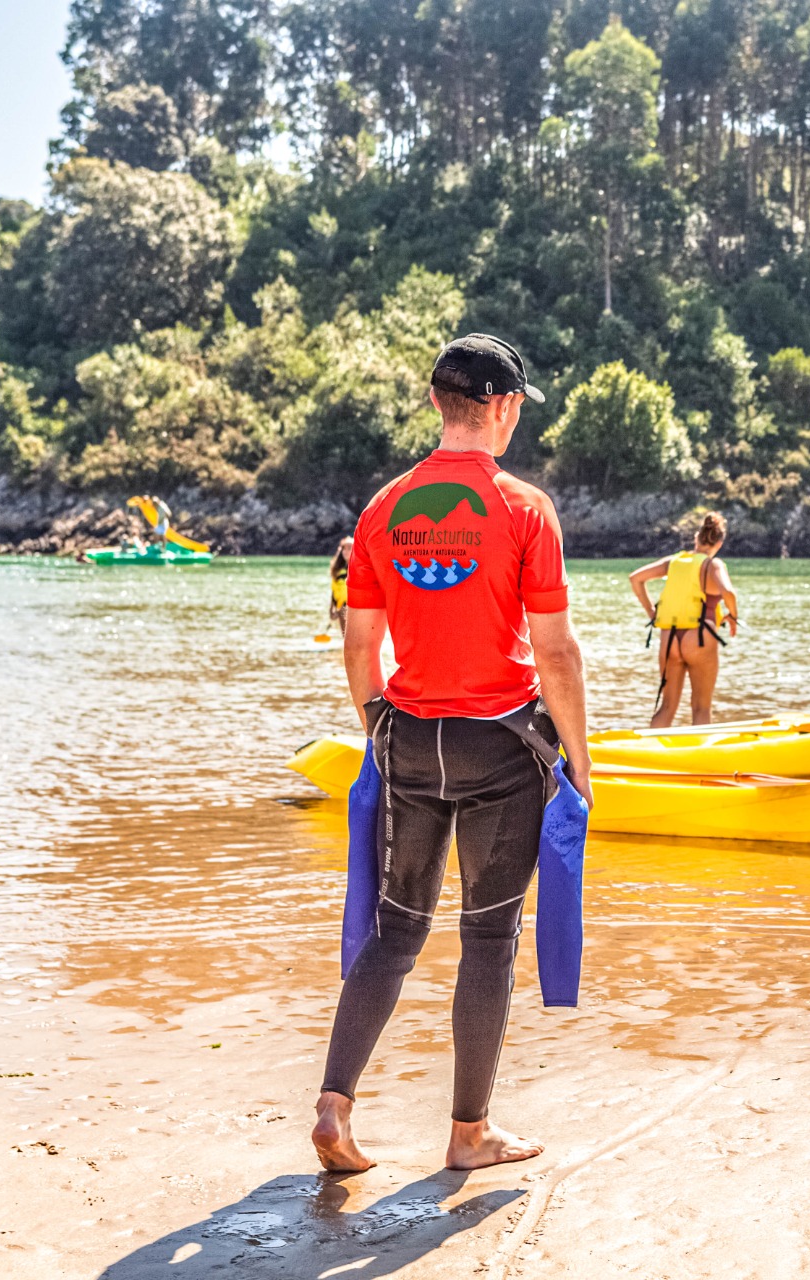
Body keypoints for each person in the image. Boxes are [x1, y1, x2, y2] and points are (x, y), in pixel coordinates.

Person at [314, 332, 592, 1176]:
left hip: (407, 738)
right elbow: (557, 654)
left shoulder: (381, 508)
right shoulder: (523, 507)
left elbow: (360, 646)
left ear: (438, 403)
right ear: (503, 408)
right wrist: (582, 762)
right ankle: (469, 1133)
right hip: (498, 746)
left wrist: (383, 735)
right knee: (487, 936)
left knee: (395, 932)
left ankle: (333, 1106)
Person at [629, 512, 739, 727]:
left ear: (697, 538)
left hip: (669, 638)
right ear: (719, 542)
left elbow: (636, 578)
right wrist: (733, 616)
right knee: (701, 708)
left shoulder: (674, 562)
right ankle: (701, 759)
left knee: (667, 707)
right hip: (699, 638)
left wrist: (652, 613)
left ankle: (649, 754)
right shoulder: (713, 565)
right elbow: (729, 593)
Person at [327, 535, 355, 633]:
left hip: (355, 607)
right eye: (344, 548)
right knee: (345, 636)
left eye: (349, 548)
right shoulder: (337, 570)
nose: (346, 551)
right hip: (341, 607)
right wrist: (331, 609)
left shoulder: (358, 569)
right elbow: (334, 591)